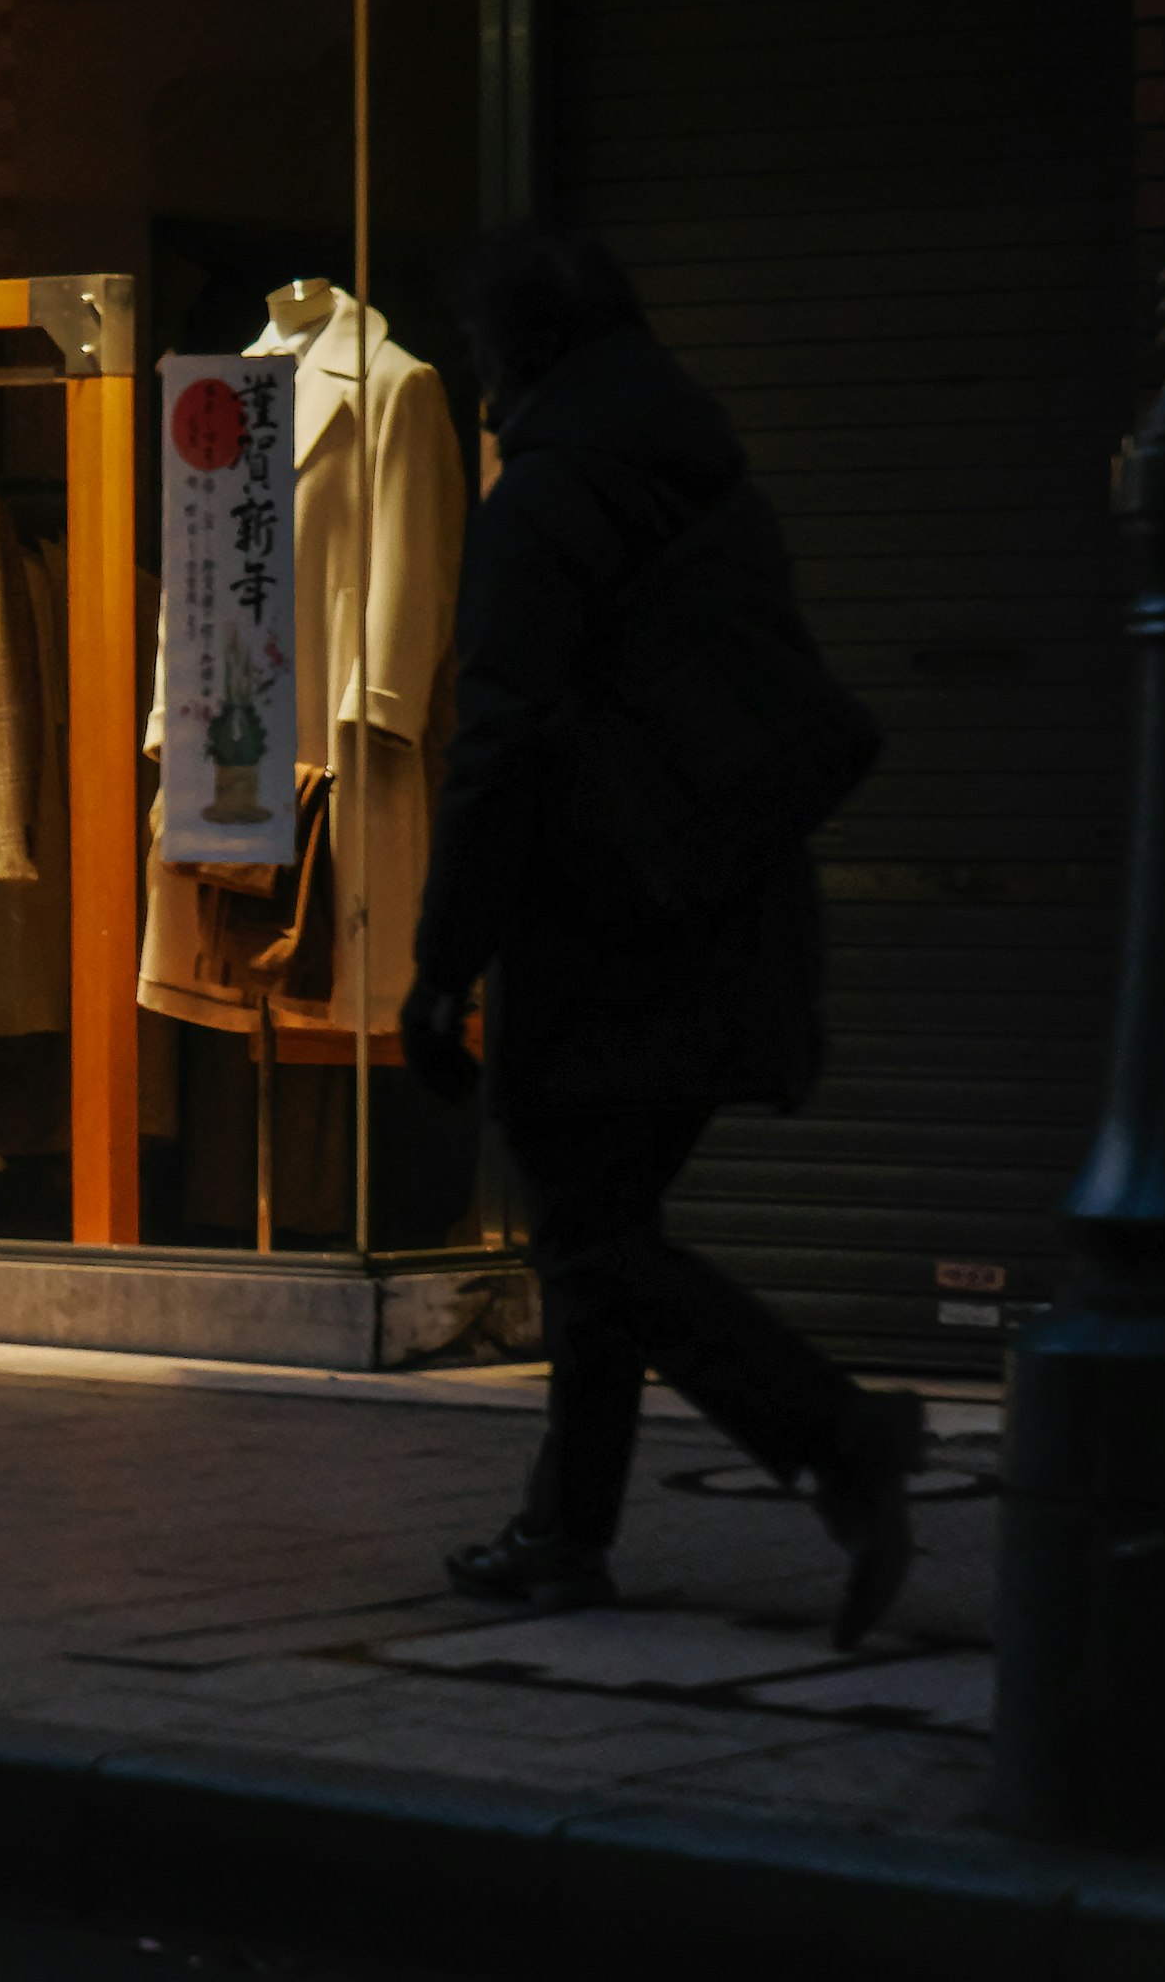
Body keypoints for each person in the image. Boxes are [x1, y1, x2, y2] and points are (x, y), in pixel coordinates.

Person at [398, 223, 924, 1651]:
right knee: (601, 1232)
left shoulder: (545, 504)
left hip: (600, 928)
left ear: (510, 354)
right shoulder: (711, 494)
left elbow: (497, 746)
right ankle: (567, 1536)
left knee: (589, 1241)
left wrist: (443, 965)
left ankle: (836, 1430)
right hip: (729, 912)